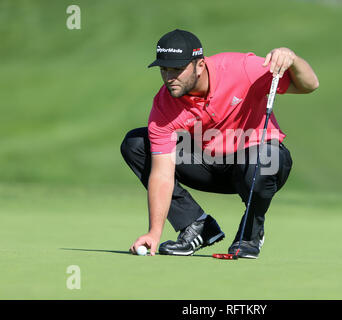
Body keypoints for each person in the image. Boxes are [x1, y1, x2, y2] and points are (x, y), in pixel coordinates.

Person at [122, 29, 319, 258]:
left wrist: (292, 59)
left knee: (264, 158)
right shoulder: (164, 105)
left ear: (200, 65)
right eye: (164, 69)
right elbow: (162, 174)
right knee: (136, 144)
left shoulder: (241, 69)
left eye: (177, 69)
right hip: (208, 165)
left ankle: (250, 234)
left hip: (255, 163)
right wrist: (154, 232)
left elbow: (309, 84)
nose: (169, 77)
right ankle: (197, 226)